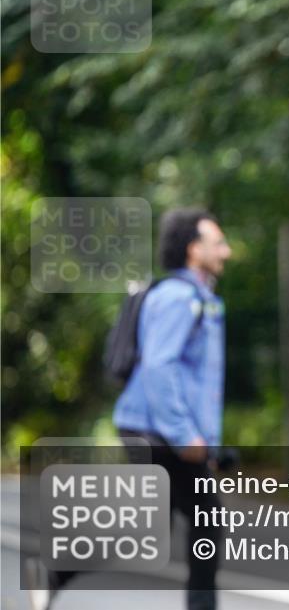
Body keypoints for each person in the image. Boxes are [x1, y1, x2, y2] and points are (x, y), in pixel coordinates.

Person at [27, 208, 231, 610]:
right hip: (157, 430)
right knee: (200, 521)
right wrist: (185, 437)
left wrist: (208, 443)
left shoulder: (199, 299)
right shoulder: (178, 299)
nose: (226, 251)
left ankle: (53, 573)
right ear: (194, 249)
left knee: (162, 524)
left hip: (157, 428)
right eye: (218, 243)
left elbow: (195, 383)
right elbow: (159, 367)